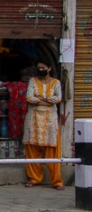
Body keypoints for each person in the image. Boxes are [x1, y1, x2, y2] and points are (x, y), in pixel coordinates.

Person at [23, 60, 64, 190]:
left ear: (49, 68)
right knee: (32, 147)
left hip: (50, 120)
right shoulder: (32, 81)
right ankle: (34, 178)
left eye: (43, 67)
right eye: (39, 67)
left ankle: (57, 181)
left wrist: (40, 99)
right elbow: (29, 97)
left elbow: (57, 99)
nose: (41, 70)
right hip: (33, 119)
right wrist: (46, 101)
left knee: (52, 148)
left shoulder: (56, 82)